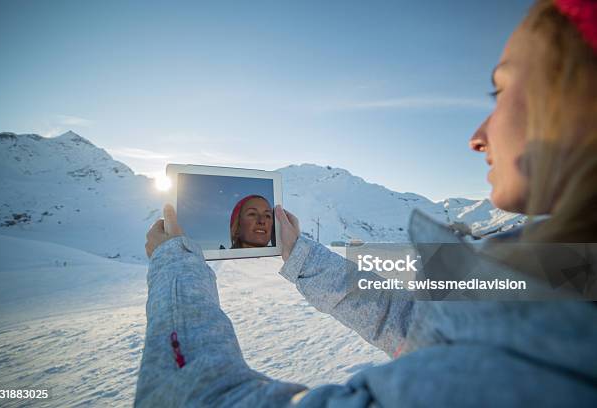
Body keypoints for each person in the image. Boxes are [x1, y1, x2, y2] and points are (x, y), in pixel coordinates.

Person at [137, 0, 597, 406]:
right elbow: (411, 322)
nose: (477, 137)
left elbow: (197, 399)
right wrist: (300, 256)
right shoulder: (568, 272)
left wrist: (175, 270)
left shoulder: (535, 358)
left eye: (500, 92)